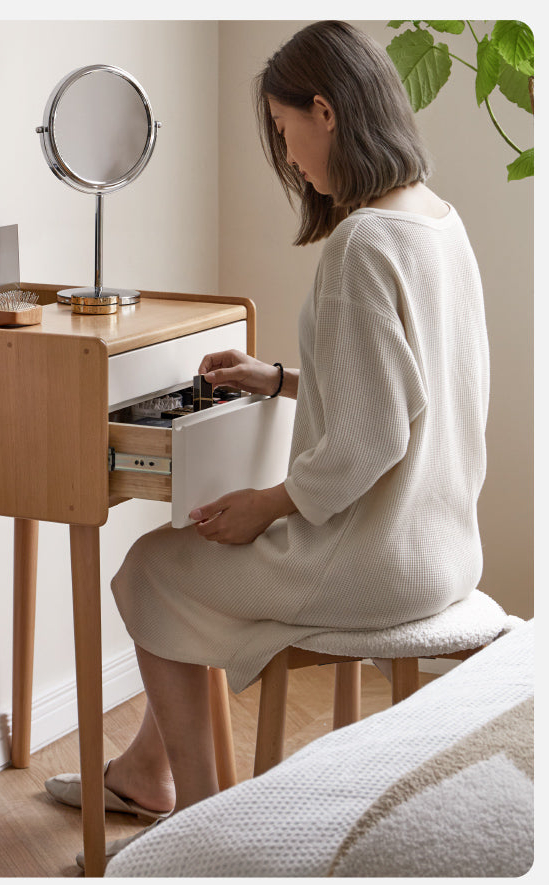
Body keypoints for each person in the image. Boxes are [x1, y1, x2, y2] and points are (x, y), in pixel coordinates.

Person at [46, 20, 489, 866]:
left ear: (325, 112)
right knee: (192, 575)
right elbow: (407, 387)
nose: (289, 160)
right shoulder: (436, 220)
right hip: (445, 544)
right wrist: (280, 378)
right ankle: (146, 771)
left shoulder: (362, 242)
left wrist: (268, 504)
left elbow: (364, 442)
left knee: (152, 569)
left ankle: (212, 832)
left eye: (286, 135)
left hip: (375, 558)